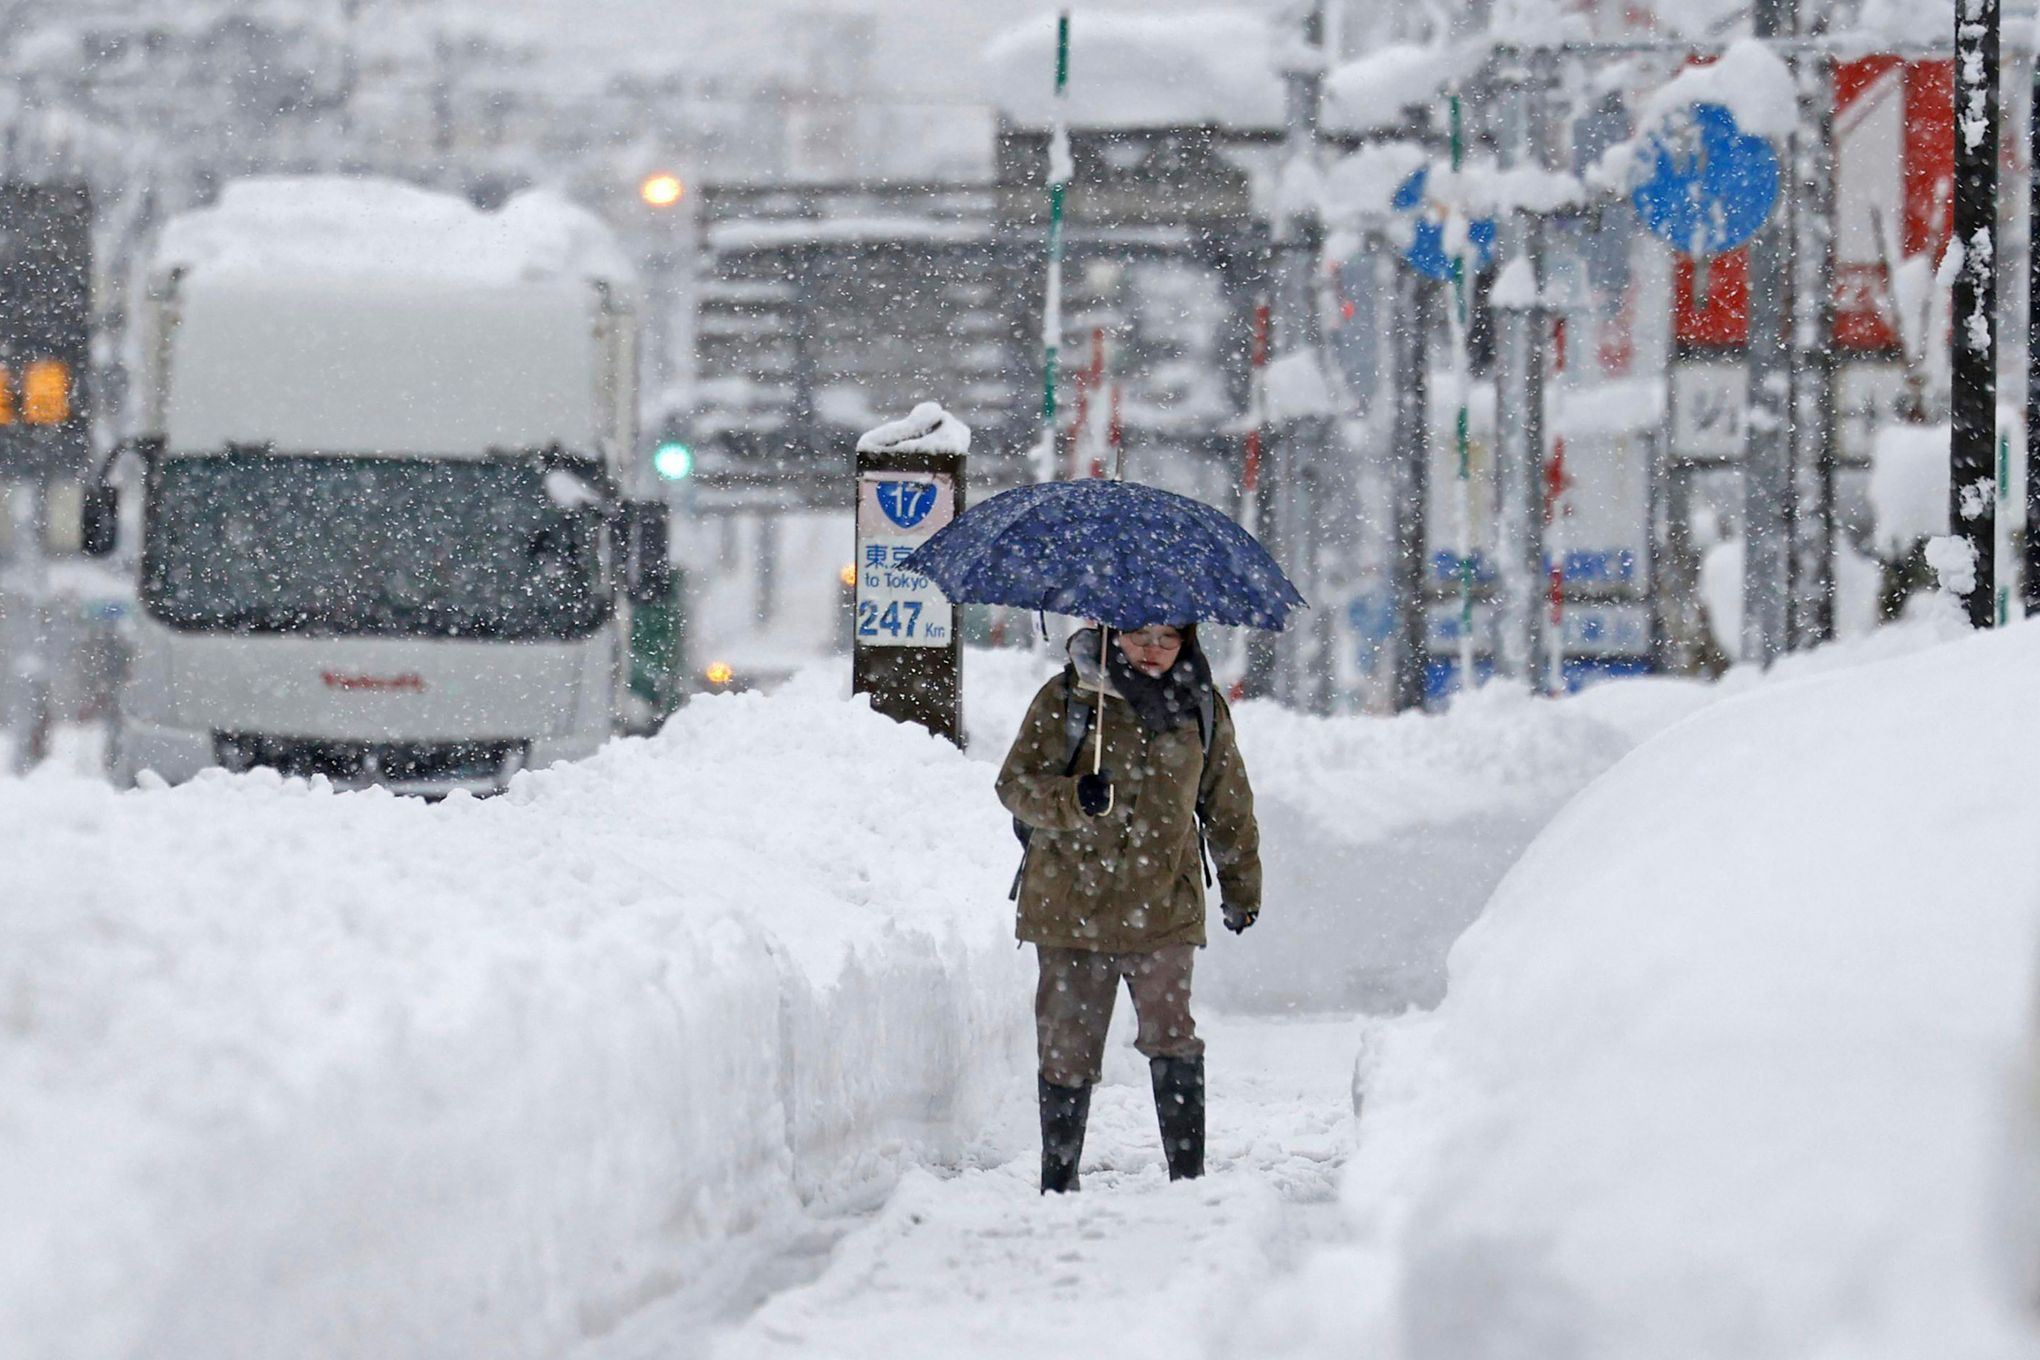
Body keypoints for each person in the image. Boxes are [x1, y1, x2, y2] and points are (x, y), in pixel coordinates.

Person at [996, 620, 1261, 1193]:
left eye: (1167, 639)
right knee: (1066, 1050)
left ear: (1185, 642)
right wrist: (1071, 797)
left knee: (1173, 1037)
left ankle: (1188, 1179)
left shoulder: (1202, 707)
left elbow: (1227, 801)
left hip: (1163, 903)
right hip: (1070, 905)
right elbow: (1014, 785)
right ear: (1113, 634)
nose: (1152, 651)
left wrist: (1241, 888)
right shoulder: (1067, 697)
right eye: (1139, 636)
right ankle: (1058, 1182)